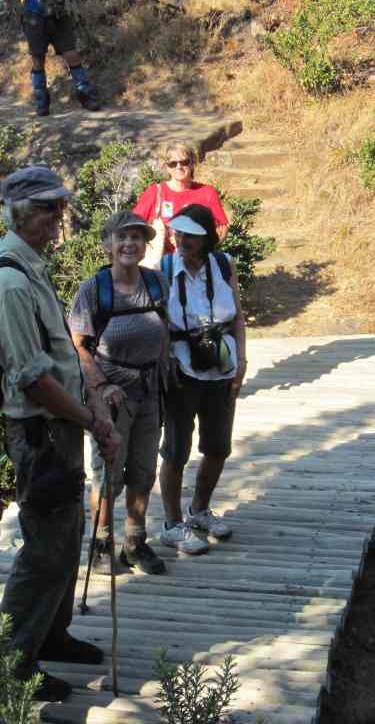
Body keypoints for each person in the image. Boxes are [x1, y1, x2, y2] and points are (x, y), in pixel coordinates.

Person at [0, 165, 121, 703]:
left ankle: (51, 635)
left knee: (66, 536)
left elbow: (56, 357)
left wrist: (89, 407)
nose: (59, 216)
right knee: (44, 549)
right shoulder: (9, 282)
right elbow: (32, 378)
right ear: (19, 214)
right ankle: (11, 665)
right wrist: (92, 420)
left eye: (60, 206)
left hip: (59, 425)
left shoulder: (29, 266)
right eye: (48, 208)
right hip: (40, 431)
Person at [68, 210, 183, 573]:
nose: (130, 244)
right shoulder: (93, 289)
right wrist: (101, 387)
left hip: (151, 390)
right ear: (108, 245)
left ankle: (135, 542)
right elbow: (78, 345)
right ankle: (101, 545)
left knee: (144, 471)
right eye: (122, 237)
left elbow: (165, 329)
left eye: (137, 237)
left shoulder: (156, 283)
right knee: (108, 475)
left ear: (146, 245)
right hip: (111, 398)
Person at [158, 204, 247, 553]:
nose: (182, 241)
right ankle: (172, 524)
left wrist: (242, 360)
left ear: (207, 238)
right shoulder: (165, 269)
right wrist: (165, 359)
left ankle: (199, 510)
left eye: (190, 236)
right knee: (176, 450)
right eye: (178, 234)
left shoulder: (223, 265)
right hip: (182, 369)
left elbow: (237, 317)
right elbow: (157, 320)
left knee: (218, 446)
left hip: (222, 366)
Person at [4, 0, 100, 116]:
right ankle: (42, 102)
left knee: (72, 56)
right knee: (38, 60)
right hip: (35, 19)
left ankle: (87, 97)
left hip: (59, 17)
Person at [132, 143, 229, 263]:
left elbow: (222, 229)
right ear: (167, 167)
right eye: (173, 163)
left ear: (192, 163)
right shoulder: (155, 192)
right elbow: (133, 225)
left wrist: (196, 243)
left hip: (196, 263)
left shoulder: (207, 192)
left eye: (184, 162)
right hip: (160, 264)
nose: (179, 167)